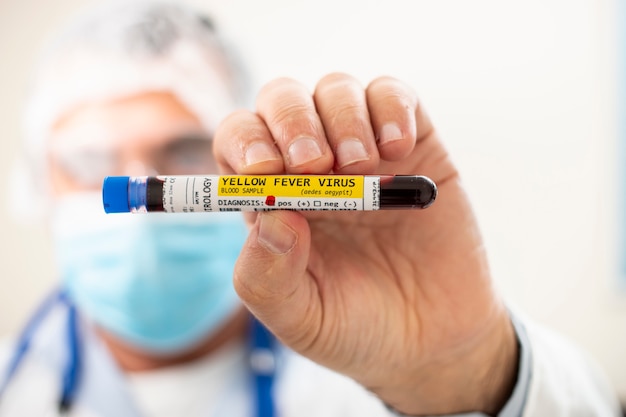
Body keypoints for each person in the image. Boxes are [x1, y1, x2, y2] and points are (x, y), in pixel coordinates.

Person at [0, 1, 621, 416]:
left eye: (184, 150)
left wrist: (472, 370)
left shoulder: (363, 376)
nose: (139, 190)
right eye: (87, 161)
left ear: (242, 157)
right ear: (39, 183)